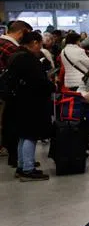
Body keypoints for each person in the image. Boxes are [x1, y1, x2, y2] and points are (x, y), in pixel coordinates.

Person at [6, 31, 54, 181]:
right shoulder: (28, 59)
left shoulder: (15, 56)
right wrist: (50, 85)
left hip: (18, 101)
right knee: (31, 135)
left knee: (22, 135)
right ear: (34, 43)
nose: (40, 48)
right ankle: (28, 169)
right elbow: (38, 81)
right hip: (30, 102)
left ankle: (22, 166)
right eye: (39, 44)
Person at [0, 19, 31, 163]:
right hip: (7, 93)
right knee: (10, 124)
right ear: (21, 32)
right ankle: (15, 155)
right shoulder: (11, 48)